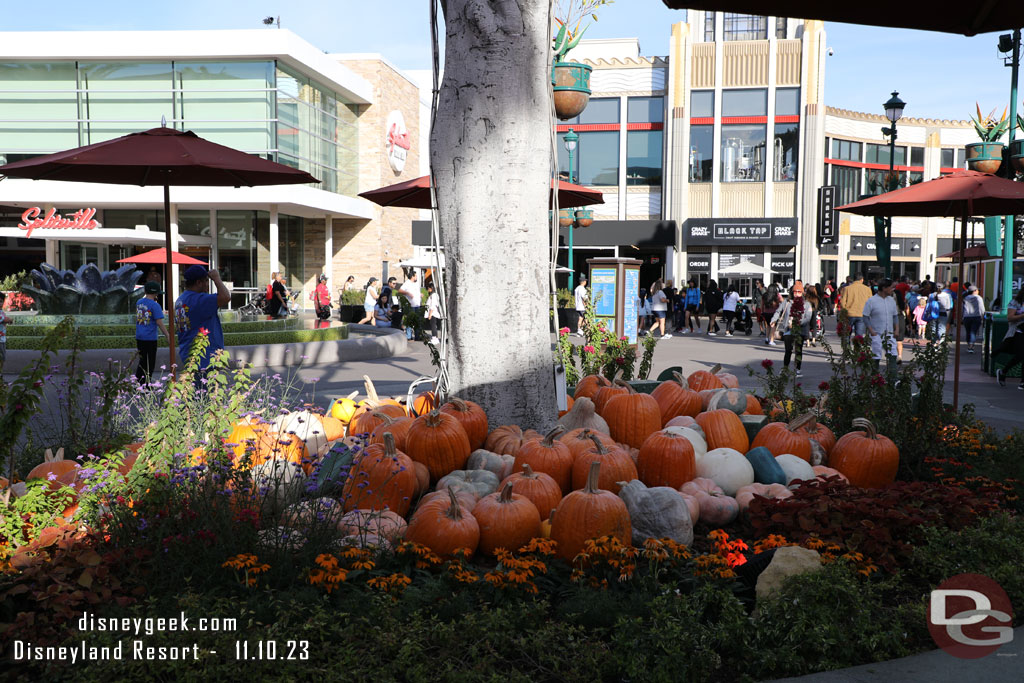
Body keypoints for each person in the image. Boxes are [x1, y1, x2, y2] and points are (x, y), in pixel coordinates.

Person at [174, 265, 230, 370]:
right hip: (204, 358)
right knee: (206, 386)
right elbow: (226, 297)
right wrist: (217, 278)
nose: (207, 285)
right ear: (199, 282)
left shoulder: (181, 300)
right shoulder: (199, 300)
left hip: (188, 353)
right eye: (206, 281)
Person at [771, 282, 812, 376]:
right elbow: (778, 311)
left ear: (802, 293)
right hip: (788, 330)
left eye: (799, 292)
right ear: (792, 292)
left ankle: (797, 369)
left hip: (800, 330)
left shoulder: (806, 304)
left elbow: (808, 317)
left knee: (798, 350)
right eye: (795, 291)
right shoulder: (787, 301)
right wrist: (773, 320)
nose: (797, 293)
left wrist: (797, 323)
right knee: (788, 350)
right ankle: (785, 368)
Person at [862, 278, 900, 378]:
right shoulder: (872, 301)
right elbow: (865, 316)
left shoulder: (891, 300)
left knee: (893, 355)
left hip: (890, 333)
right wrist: (871, 331)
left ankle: (893, 378)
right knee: (876, 356)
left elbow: (895, 316)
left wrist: (896, 329)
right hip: (877, 333)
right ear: (884, 288)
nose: (893, 289)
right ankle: (875, 378)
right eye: (891, 287)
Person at [134, 280, 169, 385]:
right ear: (156, 293)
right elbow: (159, 322)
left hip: (139, 336)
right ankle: (146, 384)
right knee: (150, 362)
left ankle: (138, 382)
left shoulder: (139, 302)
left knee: (142, 361)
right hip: (150, 337)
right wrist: (167, 335)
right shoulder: (155, 305)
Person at [994, 289, 1024, 390]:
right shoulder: (1015, 302)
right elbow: (1010, 317)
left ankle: (1022, 381)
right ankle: (1004, 371)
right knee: (1021, 355)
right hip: (1018, 332)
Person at [839, 272, 872, 337]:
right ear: (862, 279)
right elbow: (870, 303)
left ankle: (847, 346)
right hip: (862, 314)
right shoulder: (867, 289)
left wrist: (845, 310)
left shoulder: (847, 288)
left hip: (849, 314)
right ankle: (857, 346)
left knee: (847, 334)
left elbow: (842, 302)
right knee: (859, 335)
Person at [398, 270, 423, 341]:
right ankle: (409, 336)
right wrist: (407, 293)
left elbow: (416, 291)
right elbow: (400, 290)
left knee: (417, 321)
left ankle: (417, 336)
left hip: (417, 304)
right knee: (410, 320)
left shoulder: (416, 283)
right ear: (412, 276)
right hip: (410, 305)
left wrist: (419, 294)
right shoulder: (407, 283)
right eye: (416, 276)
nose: (417, 277)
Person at [0, 293, 9, 368]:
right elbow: (4, 319)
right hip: (0, 340)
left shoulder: (2, 311)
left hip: (2, 339)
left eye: (0, 301)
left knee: (3, 357)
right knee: (2, 357)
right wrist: (9, 320)